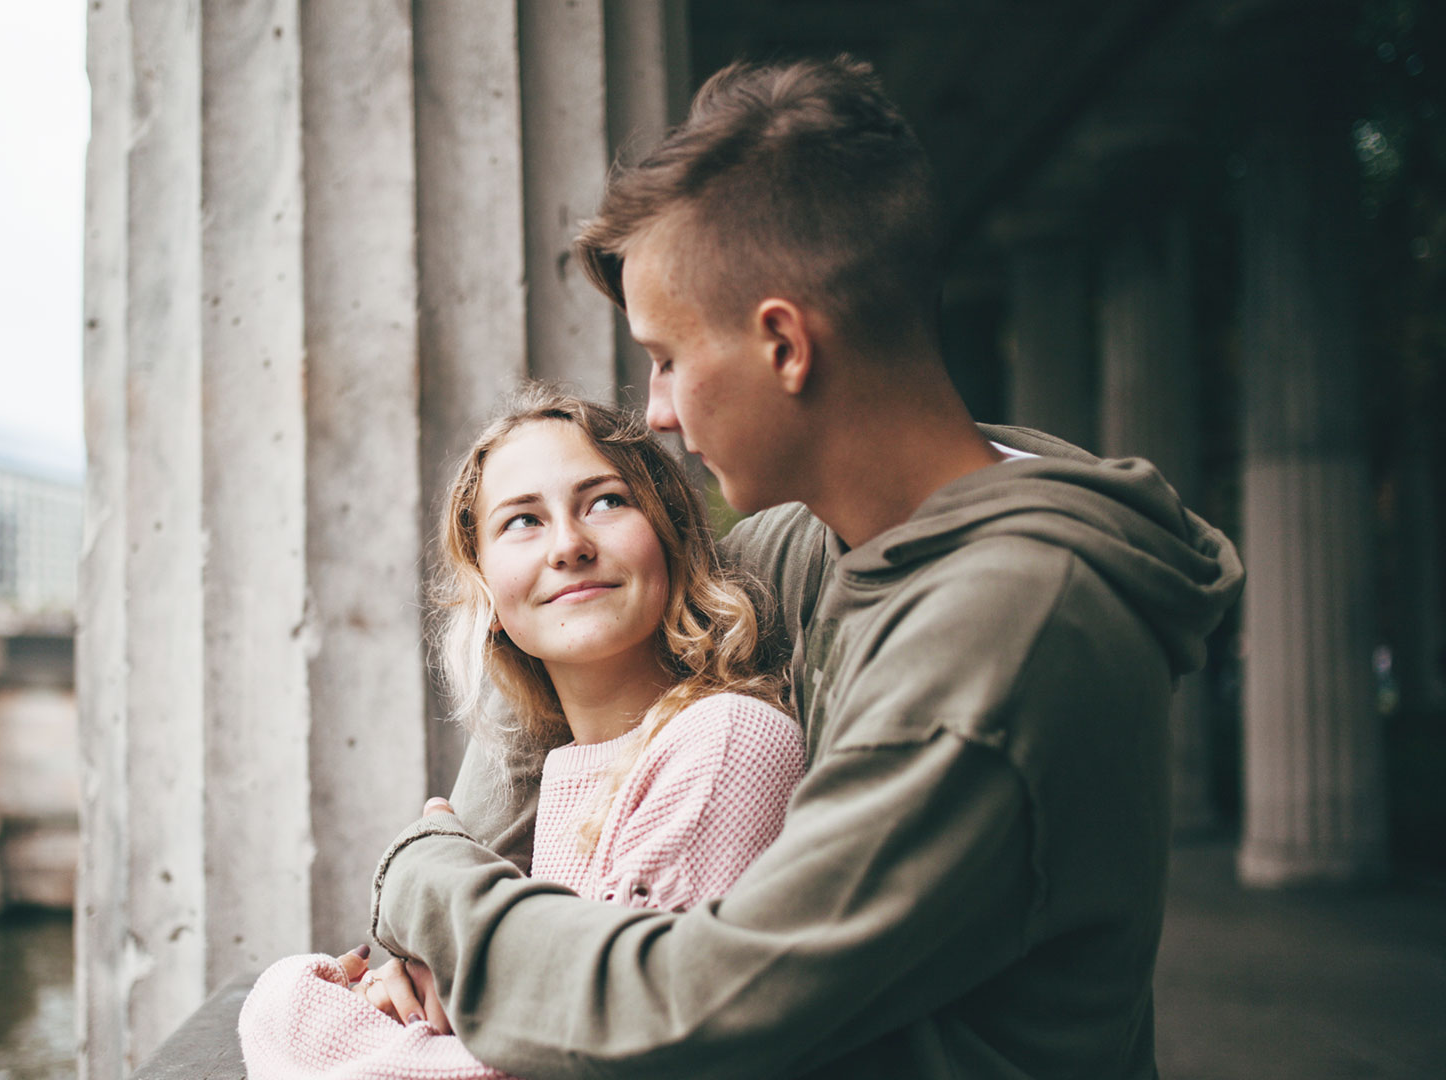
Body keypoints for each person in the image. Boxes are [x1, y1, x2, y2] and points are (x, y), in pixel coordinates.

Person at [365, 56, 1244, 1079]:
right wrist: (445, 889)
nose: (654, 413)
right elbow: (578, 619)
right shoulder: (826, 541)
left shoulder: (1007, 638)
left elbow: (689, 1012)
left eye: (667, 358)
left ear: (783, 344)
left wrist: (431, 883)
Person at [237, 387, 807, 1079]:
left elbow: (626, 1038)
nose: (569, 545)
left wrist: (296, 1006)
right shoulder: (565, 779)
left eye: (605, 501)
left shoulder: (728, 740)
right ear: (491, 599)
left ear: (672, 539)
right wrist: (421, 1004)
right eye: (523, 522)